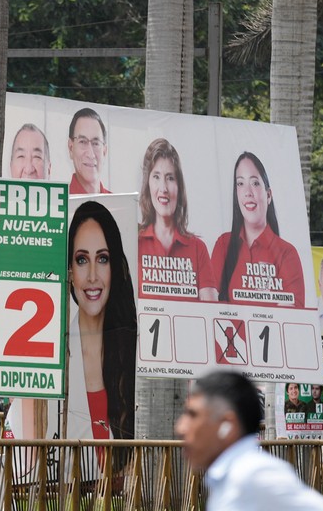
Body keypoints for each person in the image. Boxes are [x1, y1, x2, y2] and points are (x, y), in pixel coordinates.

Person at [175, 371, 323, 510]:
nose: (180, 428)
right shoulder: (228, 477)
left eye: (193, 415)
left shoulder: (253, 474)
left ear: (227, 425)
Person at [68, 201, 136, 442]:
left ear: (114, 267)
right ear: (69, 270)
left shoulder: (134, 352)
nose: (93, 276)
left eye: (103, 259)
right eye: (82, 260)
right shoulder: (54, 353)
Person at [211, 152, 304, 305]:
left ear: (268, 195)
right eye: (240, 183)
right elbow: (209, 304)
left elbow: (292, 318)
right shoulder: (223, 244)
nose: (248, 192)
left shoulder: (287, 254)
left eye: (255, 183)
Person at [137, 138, 219, 302]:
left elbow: (211, 314)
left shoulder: (197, 248)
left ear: (179, 186)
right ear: (147, 185)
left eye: (170, 178)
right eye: (156, 177)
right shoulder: (134, 243)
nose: (164, 188)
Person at [67, 107, 110, 194]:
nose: (91, 154)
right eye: (82, 142)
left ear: (104, 151)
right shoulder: (60, 205)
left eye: (96, 143)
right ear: (71, 148)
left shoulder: (117, 204)